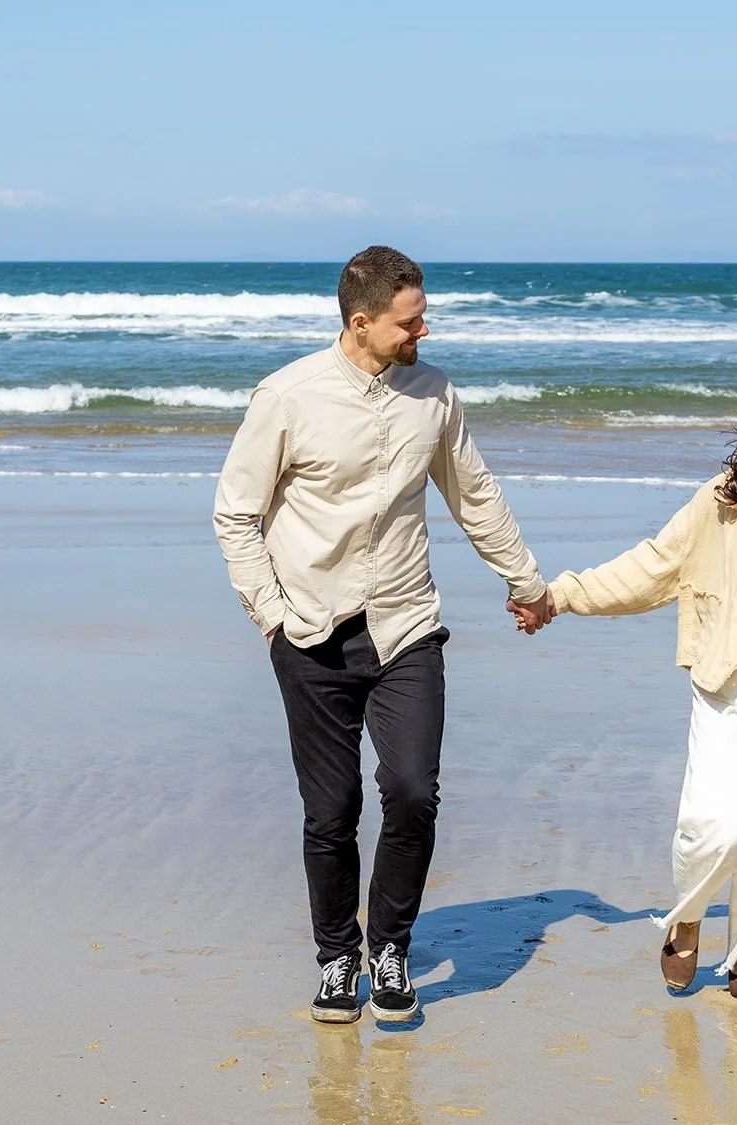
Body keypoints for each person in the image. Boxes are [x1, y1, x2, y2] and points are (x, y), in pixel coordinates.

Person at [214, 246, 554, 1024]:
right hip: (309, 632)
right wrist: (269, 613)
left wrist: (525, 581)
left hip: (406, 626)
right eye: (409, 321)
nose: (423, 330)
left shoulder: (433, 396)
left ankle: (389, 944)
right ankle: (338, 958)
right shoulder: (288, 396)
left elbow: (475, 495)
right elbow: (236, 514)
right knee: (329, 811)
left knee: (411, 792)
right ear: (361, 322)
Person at [527, 363, 737, 1001]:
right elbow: (653, 565)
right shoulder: (720, 496)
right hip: (728, 681)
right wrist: (562, 595)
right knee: (719, 825)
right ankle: (687, 916)